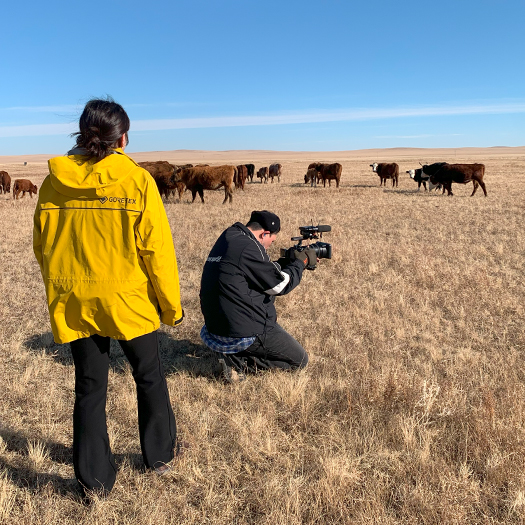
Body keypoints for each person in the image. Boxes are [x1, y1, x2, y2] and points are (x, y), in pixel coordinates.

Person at [33, 97, 184, 497]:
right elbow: (158, 251)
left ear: (83, 134)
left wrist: (64, 287)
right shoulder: (136, 181)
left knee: (89, 386)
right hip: (128, 300)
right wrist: (170, 306)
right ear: (124, 139)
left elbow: (42, 245)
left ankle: (94, 482)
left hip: (76, 300)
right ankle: (160, 456)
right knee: (149, 376)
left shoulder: (53, 181)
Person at [199, 210, 315, 381]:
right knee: (299, 361)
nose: (268, 247)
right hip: (244, 331)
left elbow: (257, 271)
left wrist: (286, 261)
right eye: (271, 241)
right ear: (264, 234)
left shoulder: (230, 236)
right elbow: (279, 286)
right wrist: (300, 263)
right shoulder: (249, 247)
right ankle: (237, 363)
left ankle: (232, 355)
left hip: (215, 328)